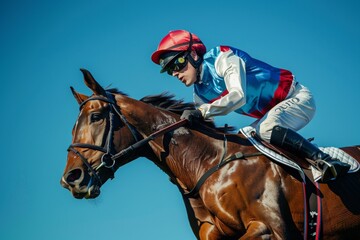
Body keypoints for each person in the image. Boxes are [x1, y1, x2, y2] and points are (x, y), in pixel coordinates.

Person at [151, 29, 350, 182]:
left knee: (265, 128)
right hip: (271, 114)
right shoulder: (200, 93)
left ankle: (324, 159)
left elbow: (238, 96)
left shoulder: (223, 58)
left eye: (176, 64)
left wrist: (202, 111)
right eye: (169, 71)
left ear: (193, 54)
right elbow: (204, 132)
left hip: (297, 98)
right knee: (244, 138)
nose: (175, 73)